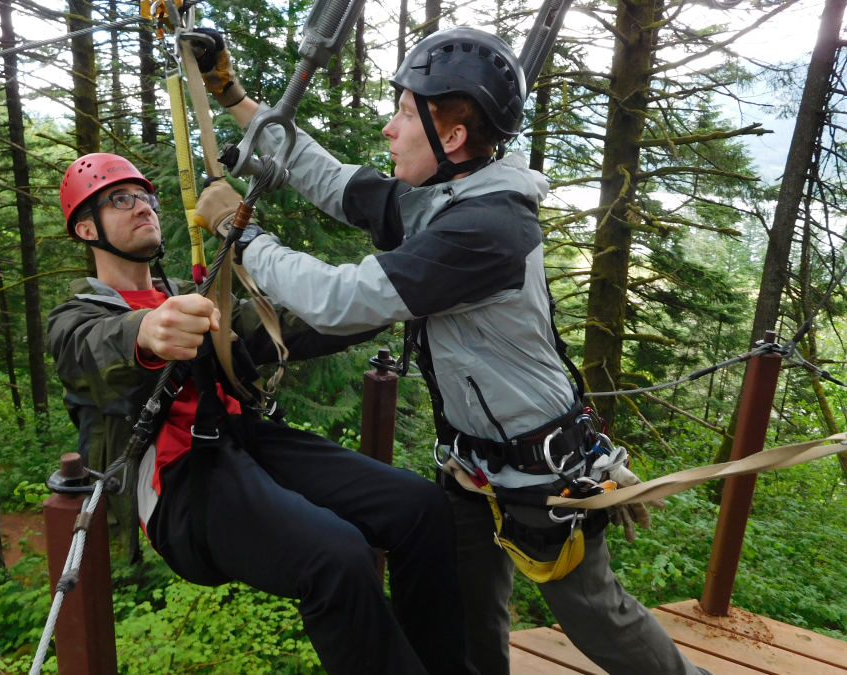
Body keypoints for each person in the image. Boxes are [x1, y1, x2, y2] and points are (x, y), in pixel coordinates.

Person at [194, 26, 713, 675]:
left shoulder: (486, 228)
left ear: (455, 136)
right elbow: (331, 182)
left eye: (405, 113)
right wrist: (235, 96)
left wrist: (242, 238)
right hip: (469, 464)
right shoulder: (443, 196)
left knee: (595, 616)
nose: (389, 128)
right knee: (470, 622)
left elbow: (341, 298)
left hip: (541, 474)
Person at [47, 152, 480, 675]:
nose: (142, 207)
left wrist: (403, 293)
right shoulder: (80, 316)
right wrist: (147, 333)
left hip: (243, 439)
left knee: (422, 508)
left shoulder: (193, 297)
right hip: (176, 482)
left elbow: (287, 326)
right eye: (120, 199)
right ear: (86, 227)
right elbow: (92, 350)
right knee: (336, 557)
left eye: (145, 196)